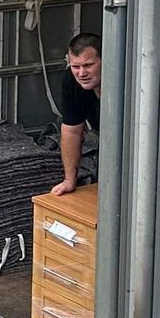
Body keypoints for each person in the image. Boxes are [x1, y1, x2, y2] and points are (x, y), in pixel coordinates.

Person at [50, 30, 101, 196]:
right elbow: (71, 130)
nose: (81, 73)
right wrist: (69, 180)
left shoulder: (125, 78)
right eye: (76, 66)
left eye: (88, 65)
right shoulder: (71, 80)